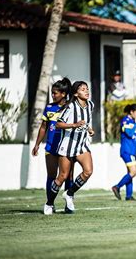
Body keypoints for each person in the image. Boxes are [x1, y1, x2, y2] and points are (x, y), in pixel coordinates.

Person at [51, 81, 95, 214]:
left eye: (87, 89)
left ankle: (69, 193)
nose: (86, 91)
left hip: (82, 145)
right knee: (62, 176)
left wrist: (89, 129)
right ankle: (49, 203)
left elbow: (86, 122)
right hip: (67, 145)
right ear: (76, 93)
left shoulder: (90, 105)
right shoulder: (69, 107)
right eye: (82, 89)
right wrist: (74, 125)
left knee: (88, 171)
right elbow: (58, 124)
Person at [32, 78, 74, 215]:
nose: (53, 95)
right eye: (52, 93)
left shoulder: (71, 107)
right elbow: (43, 127)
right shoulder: (49, 108)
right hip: (50, 147)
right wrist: (37, 144)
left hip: (66, 147)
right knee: (51, 175)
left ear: (63, 93)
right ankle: (50, 203)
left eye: (55, 93)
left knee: (68, 175)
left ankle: (69, 202)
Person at [111, 104, 136, 201]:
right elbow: (129, 134)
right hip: (126, 150)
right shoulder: (126, 121)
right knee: (133, 172)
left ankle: (129, 195)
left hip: (132, 150)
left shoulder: (132, 121)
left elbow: (134, 138)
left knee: (130, 173)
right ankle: (117, 187)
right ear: (131, 112)